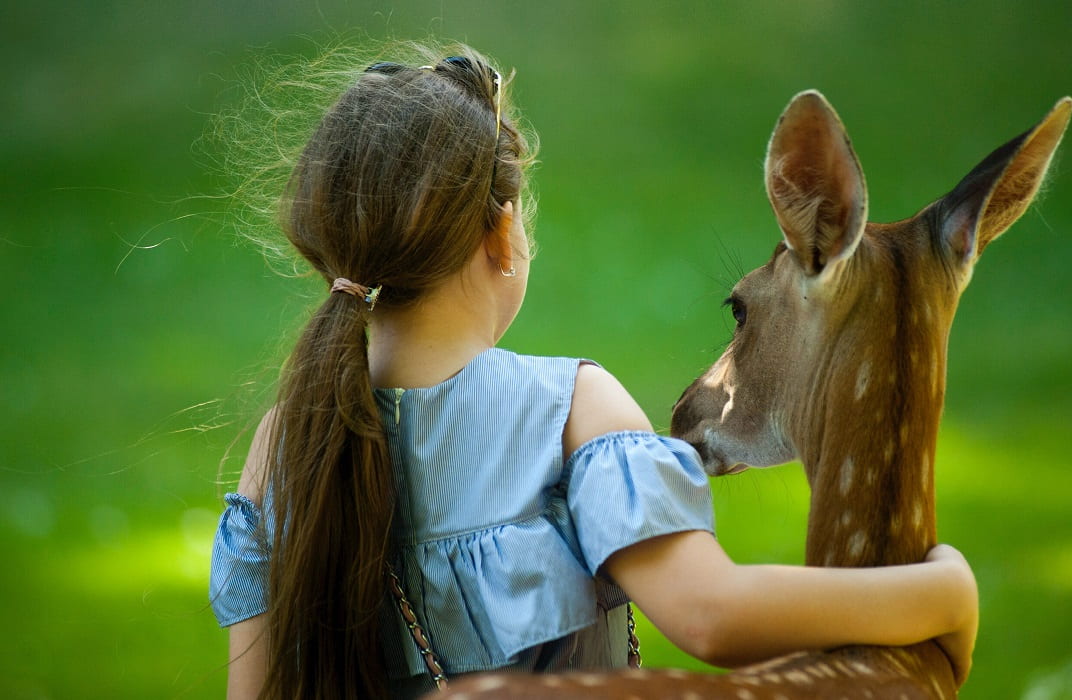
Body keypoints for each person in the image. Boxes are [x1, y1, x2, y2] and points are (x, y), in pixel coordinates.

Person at [209, 44, 978, 700]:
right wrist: (942, 592)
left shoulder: (285, 442)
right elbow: (712, 616)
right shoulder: (570, 407)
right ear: (502, 235)